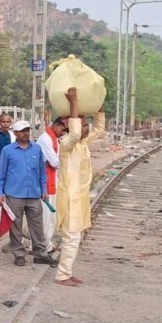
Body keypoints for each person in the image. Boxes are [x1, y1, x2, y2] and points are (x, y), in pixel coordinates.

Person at [56, 88, 105, 287]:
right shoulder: (67, 143)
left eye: (86, 123)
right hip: (70, 198)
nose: (86, 127)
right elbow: (75, 133)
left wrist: (99, 104)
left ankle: (66, 271)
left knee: (75, 237)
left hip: (79, 198)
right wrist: (74, 103)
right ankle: (62, 275)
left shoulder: (84, 143)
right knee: (71, 238)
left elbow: (99, 129)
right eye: (83, 123)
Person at [0, 121, 56, 267]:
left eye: (27, 130)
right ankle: (19, 254)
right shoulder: (7, 151)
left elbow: (42, 172)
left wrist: (44, 190)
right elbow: (1, 173)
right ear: (15, 133)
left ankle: (40, 254)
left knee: (37, 226)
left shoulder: (37, 150)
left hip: (34, 195)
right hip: (14, 195)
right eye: (22, 131)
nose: (26, 133)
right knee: (15, 227)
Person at [36, 116, 66, 253]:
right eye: (63, 130)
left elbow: (55, 161)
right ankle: (42, 245)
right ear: (56, 125)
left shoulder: (55, 139)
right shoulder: (45, 139)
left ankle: (48, 243)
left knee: (52, 216)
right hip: (46, 182)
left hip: (53, 180)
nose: (63, 133)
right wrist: (63, 161)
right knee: (45, 216)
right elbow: (55, 162)